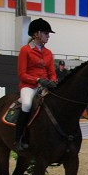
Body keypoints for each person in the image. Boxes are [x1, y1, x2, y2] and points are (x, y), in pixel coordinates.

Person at [15, 18, 57, 151]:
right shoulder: (25, 50)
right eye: (46, 33)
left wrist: (53, 81)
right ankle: (19, 138)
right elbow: (22, 74)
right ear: (36, 34)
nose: (48, 36)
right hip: (29, 86)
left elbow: (52, 72)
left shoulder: (48, 53)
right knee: (27, 104)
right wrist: (37, 80)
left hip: (45, 86)